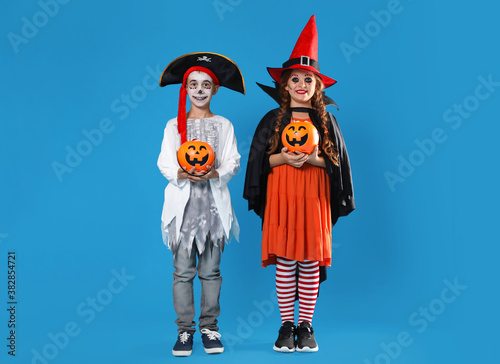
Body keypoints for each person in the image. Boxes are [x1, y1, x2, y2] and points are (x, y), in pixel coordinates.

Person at [243, 15, 355, 353]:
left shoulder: (326, 121)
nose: (301, 84)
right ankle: (285, 325)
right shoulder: (272, 121)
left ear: (317, 85)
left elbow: (337, 165)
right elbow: (259, 163)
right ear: (286, 84)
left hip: (313, 197)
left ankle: (306, 326)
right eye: (295, 79)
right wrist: (282, 159)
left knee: (308, 261)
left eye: (308, 78)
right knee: (286, 261)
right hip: (282, 196)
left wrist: (311, 160)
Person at [157, 52, 245, 356]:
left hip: (212, 210)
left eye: (205, 84)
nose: (199, 90)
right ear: (185, 88)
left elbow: (233, 160)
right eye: (193, 84)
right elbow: (165, 162)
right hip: (183, 212)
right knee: (182, 272)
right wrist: (181, 173)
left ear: (215, 89)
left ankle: (210, 327)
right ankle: (184, 331)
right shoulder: (173, 126)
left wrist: (216, 172)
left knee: (210, 271)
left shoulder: (223, 126)